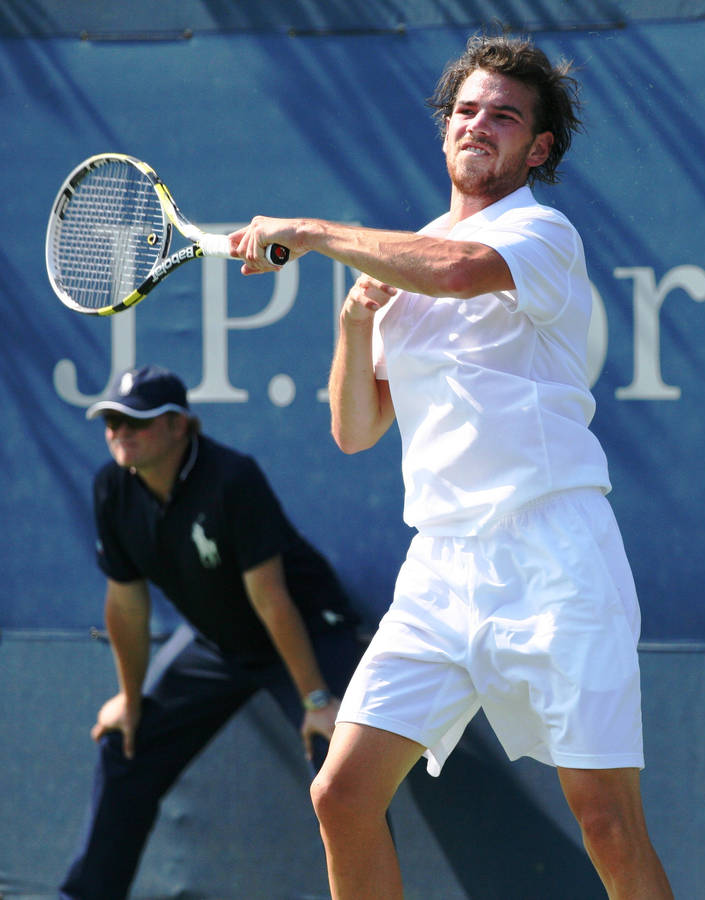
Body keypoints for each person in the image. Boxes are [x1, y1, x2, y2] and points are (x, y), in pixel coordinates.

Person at [227, 31, 673, 900]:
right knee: (343, 794)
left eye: (505, 116)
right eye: (466, 110)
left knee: (609, 826)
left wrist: (312, 233)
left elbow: (465, 272)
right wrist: (355, 327)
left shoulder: (542, 234)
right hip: (439, 568)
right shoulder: (407, 256)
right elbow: (357, 431)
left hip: (555, 557)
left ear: (537, 149)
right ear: (445, 132)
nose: (480, 125)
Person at [59, 364, 362, 900]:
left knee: (339, 765)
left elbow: (271, 600)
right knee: (128, 744)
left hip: (306, 632)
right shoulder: (111, 486)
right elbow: (126, 606)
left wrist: (317, 699)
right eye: (111, 422)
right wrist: (131, 700)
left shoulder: (231, 477)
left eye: (137, 422)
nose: (120, 433)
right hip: (219, 644)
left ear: (180, 425)